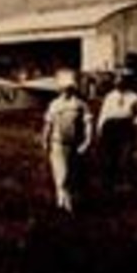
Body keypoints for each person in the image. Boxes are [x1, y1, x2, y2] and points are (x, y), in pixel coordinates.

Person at [42, 71, 93, 213]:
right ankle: (67, 203)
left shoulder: (80, 105)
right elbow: (48, 124)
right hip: (57, 143)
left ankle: (61, 201)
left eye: (69, 88)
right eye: (64, 88)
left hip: (74, 145)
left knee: (71, 174)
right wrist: (45, 139)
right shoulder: (54, 104)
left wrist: (87, 141)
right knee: (62, 173)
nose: (66, 91)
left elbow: (88, 123)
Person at [96, 72, 137, 187]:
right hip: (111, 126)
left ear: (126, 82)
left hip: (126, 125)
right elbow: (104, 113)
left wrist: (135, 122)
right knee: (110, 154)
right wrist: (100, 128)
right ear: (114, 83)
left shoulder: (134, 96)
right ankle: (110, 181)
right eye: (117, 81)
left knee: (127, 154)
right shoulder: (109, 96)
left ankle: (126, 181)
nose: (119, 83)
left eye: (122, 81)